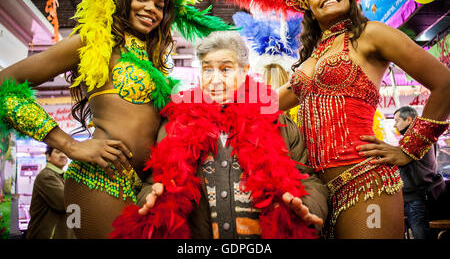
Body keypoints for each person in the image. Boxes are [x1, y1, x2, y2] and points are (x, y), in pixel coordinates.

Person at [0, 0, 234, 238]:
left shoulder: (151, 57)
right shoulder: (93, 41)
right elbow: (5, 84)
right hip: (101, 180)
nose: (151, 8)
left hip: (143, 185)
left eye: (159, 5)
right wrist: (70, 145)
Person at [274, 0, 450, 238]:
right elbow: (266, 102)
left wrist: (409, 149)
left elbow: (444, 82)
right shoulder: (310, 59)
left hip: (365, 182)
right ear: (309, 9)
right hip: (316, 192)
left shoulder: (371, 34)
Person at [111, 31, 328, 239]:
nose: (215, 80)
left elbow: (309, 180)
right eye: (207, 70)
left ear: (244, 71)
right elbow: (152, 184)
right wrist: (150, 201)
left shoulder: (278, 122)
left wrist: (306, 206)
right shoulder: (175, 126)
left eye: (225, 69)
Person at [394, 106, 446, 239]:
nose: (395, 124)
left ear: (409, 120)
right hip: (414, 198)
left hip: (417, 198)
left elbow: (399, 160)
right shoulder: (415, 139)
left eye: (397, 120)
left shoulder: (416, 139)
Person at [26, 146, 76, 239]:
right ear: (48, 156)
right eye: (58, 152)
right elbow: (65, 202)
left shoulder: (61, 176)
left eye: (65, 152)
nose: (63, 155)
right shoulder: (47, 176)